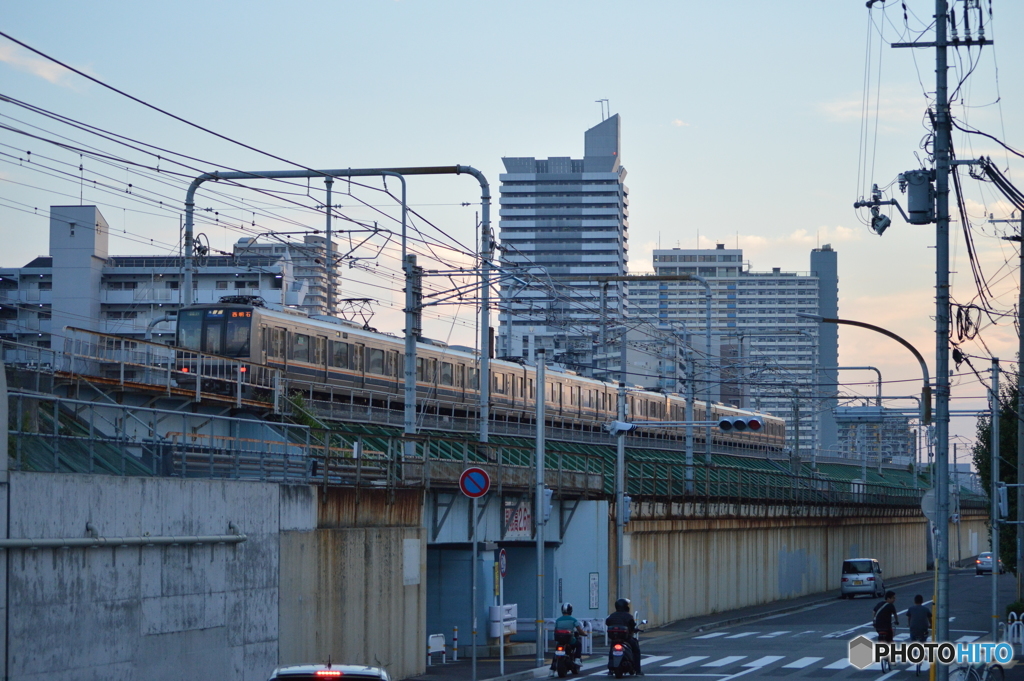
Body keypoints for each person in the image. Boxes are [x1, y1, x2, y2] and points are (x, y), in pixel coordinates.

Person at [606, 598, 643, 676]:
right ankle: (638, 670)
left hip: (615, 639)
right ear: (625, 606)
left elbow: (607, 623)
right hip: (626, 639)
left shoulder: (612, 616)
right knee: (636, 651)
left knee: (611, 651)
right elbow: (632, 626)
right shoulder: (628, 616)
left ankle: (610, 671)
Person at [552, 602, 588, 668]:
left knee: (556, 652)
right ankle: (577, 659)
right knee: (578, 645)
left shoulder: (557, 620)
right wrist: (584, 634)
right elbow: (579, 630)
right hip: (569, 640)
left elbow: (555, 629)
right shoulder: (573, 620)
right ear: (571, 610)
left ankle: (552, 669)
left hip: (559, 640)